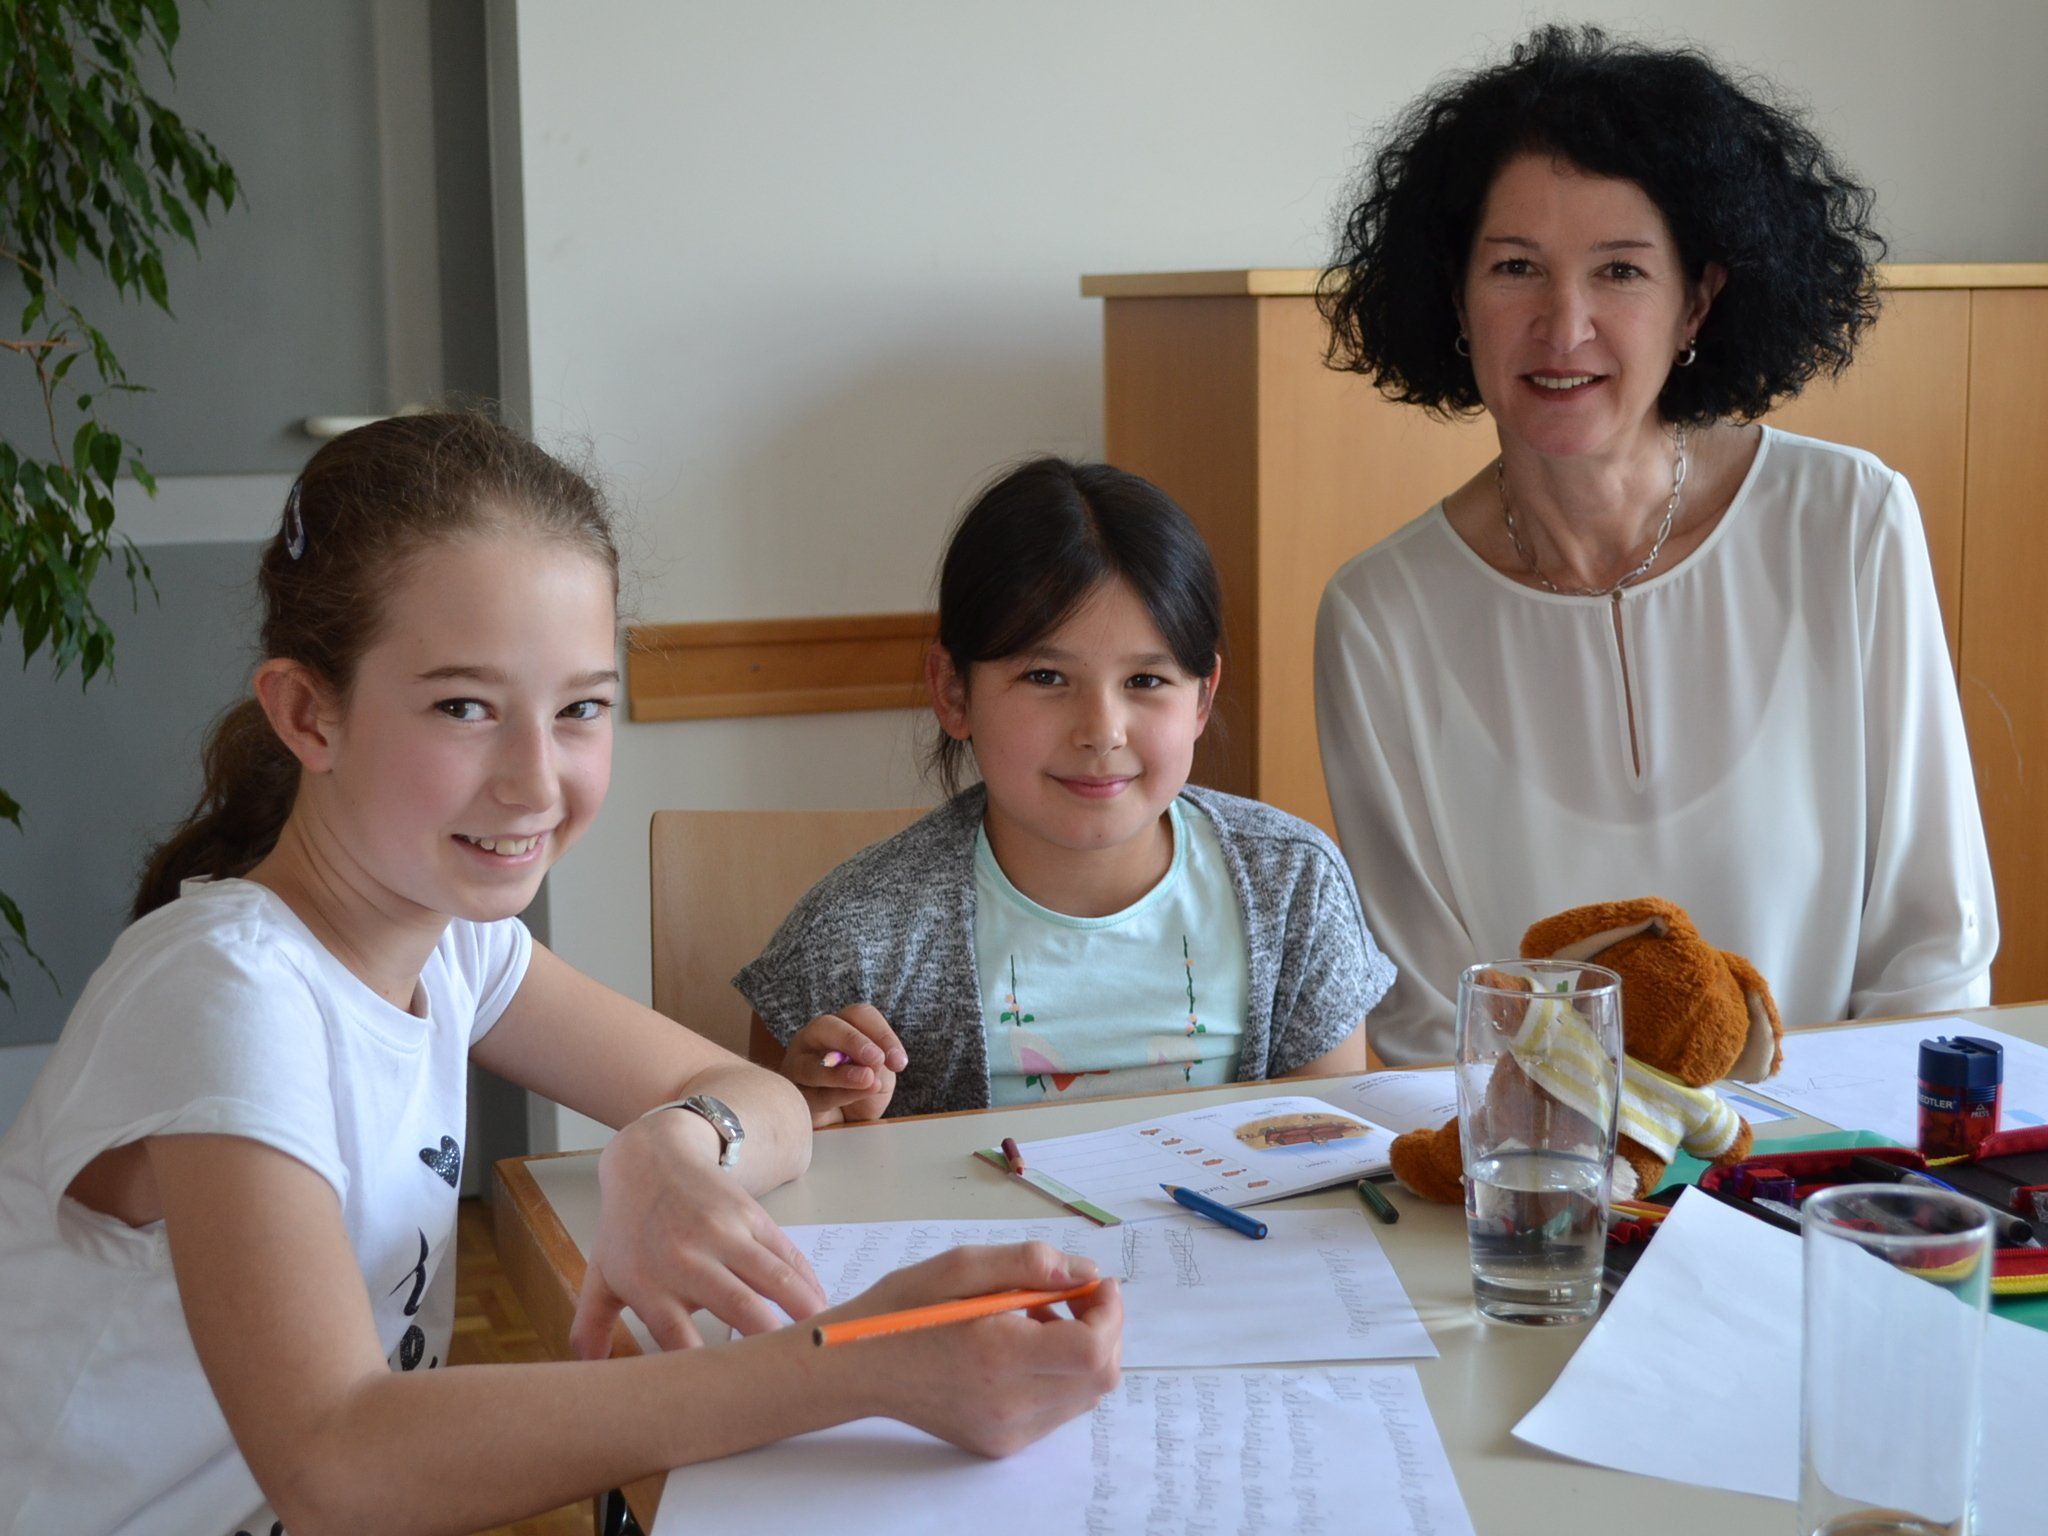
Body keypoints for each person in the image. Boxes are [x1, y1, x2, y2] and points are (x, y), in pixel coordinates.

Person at [0, 414, 1122, 1536]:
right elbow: (335, 1465)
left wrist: (665, 1149)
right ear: (307, 713)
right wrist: (856, 1365)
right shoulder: (226, 992)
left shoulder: (453, 941)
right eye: (461, 708)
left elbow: (764, 1095)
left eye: (580, 708)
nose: (535, 783)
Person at [1312, 25, 1997, 1065]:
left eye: (1620, 271)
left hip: (1825, 1178)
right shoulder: (1378, 615)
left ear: (1698, 300)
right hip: (1543, 1196)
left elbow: (1932, 955)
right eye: (1513, 268)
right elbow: (1427, 1029)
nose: (1563, 324)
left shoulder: (1848, 521)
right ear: (1454, 296)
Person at [740, 457, 1394, 1126]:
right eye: (1047, 677)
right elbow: (778, 1178)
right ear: (953, 690)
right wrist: (813, 1118)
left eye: (1145, 681)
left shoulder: (1294, 888)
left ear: (1203, 698)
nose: (1101, 732)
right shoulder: (852, 940)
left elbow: (1330, 1173)